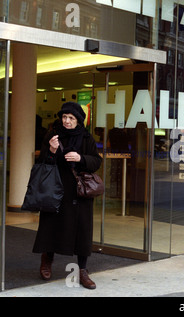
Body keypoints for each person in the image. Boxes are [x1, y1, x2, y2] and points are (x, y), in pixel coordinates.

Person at [32, 102, 102, 289]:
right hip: (56, 188)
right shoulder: (52, 135)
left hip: (79, 191)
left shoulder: (86, 138)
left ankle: (83, 270)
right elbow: (43, 162)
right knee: (51, 225)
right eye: (64, 117)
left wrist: (81, 159)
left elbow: (96, 161)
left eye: (71, 118)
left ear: (78, 120)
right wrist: (52, 150)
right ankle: (47, 259)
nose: (67, 121)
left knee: (83, 230)